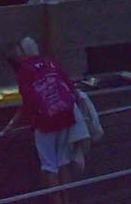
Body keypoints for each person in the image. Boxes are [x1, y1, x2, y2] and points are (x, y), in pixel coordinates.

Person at [6, 37, 81, 189]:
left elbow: (27, 104)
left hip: (45, 123)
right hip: (66, 117)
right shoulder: (51, 64)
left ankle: (56, 200)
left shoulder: (25, 72)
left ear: (22, 53)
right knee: (63, 162)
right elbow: (72, 90)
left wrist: (12, 124)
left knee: (49, 166)